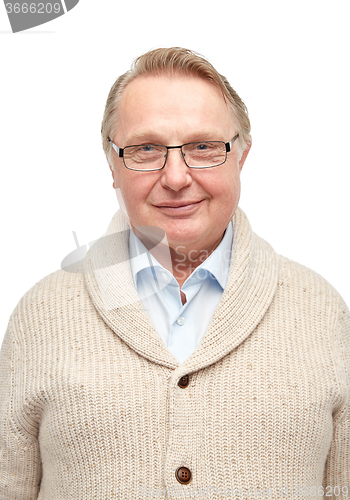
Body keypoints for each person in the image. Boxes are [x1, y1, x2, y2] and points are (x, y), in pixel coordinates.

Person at [0, 47, 349, 499]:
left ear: (240, 157)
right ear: (112, 164)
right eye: (147, 149)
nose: (177, 177)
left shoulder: (321, 311)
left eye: (203, 147)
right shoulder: (41, 316)